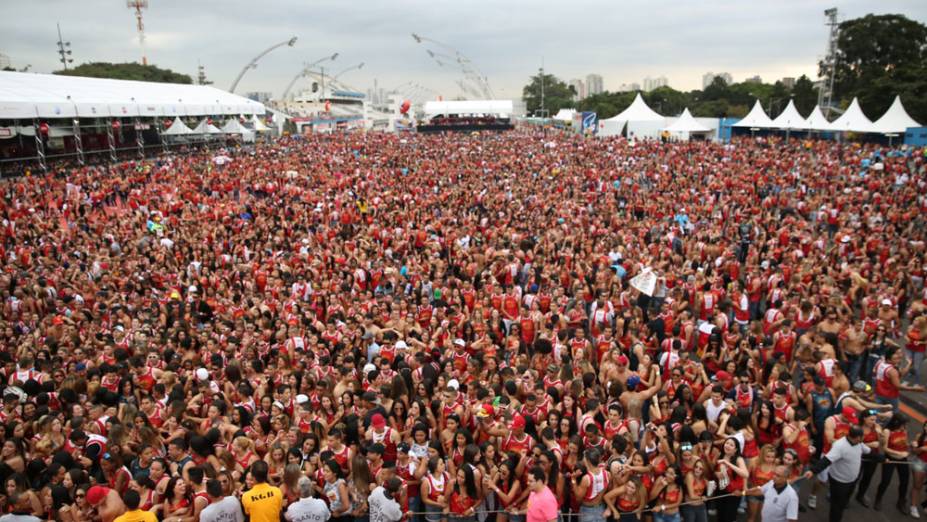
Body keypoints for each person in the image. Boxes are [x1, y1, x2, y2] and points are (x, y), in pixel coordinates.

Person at [805, 426, 870, 522]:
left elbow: (868, 451)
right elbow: (826, 460)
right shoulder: (840, 446)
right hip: (839, 482)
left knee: (843, 502)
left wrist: (881, 458)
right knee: (837, 506)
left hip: (851, 481)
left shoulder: (859, 444)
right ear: (858, 438)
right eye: (862, 437)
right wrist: (813, 471)